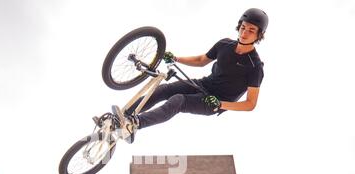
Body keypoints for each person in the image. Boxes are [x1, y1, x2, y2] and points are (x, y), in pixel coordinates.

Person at [113, 8, 268, 144]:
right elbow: (201, 60)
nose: (244, 32)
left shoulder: (255, 66)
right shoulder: (224, 44)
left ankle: (134, 124)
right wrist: (176, 59)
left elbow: (250, 104)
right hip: (203, 84)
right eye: (243, 27)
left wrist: (220, 104)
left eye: (251, 30)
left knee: (179, 100)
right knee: (163, 89)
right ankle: (123, 117)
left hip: (215, 101)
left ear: (259, 35)